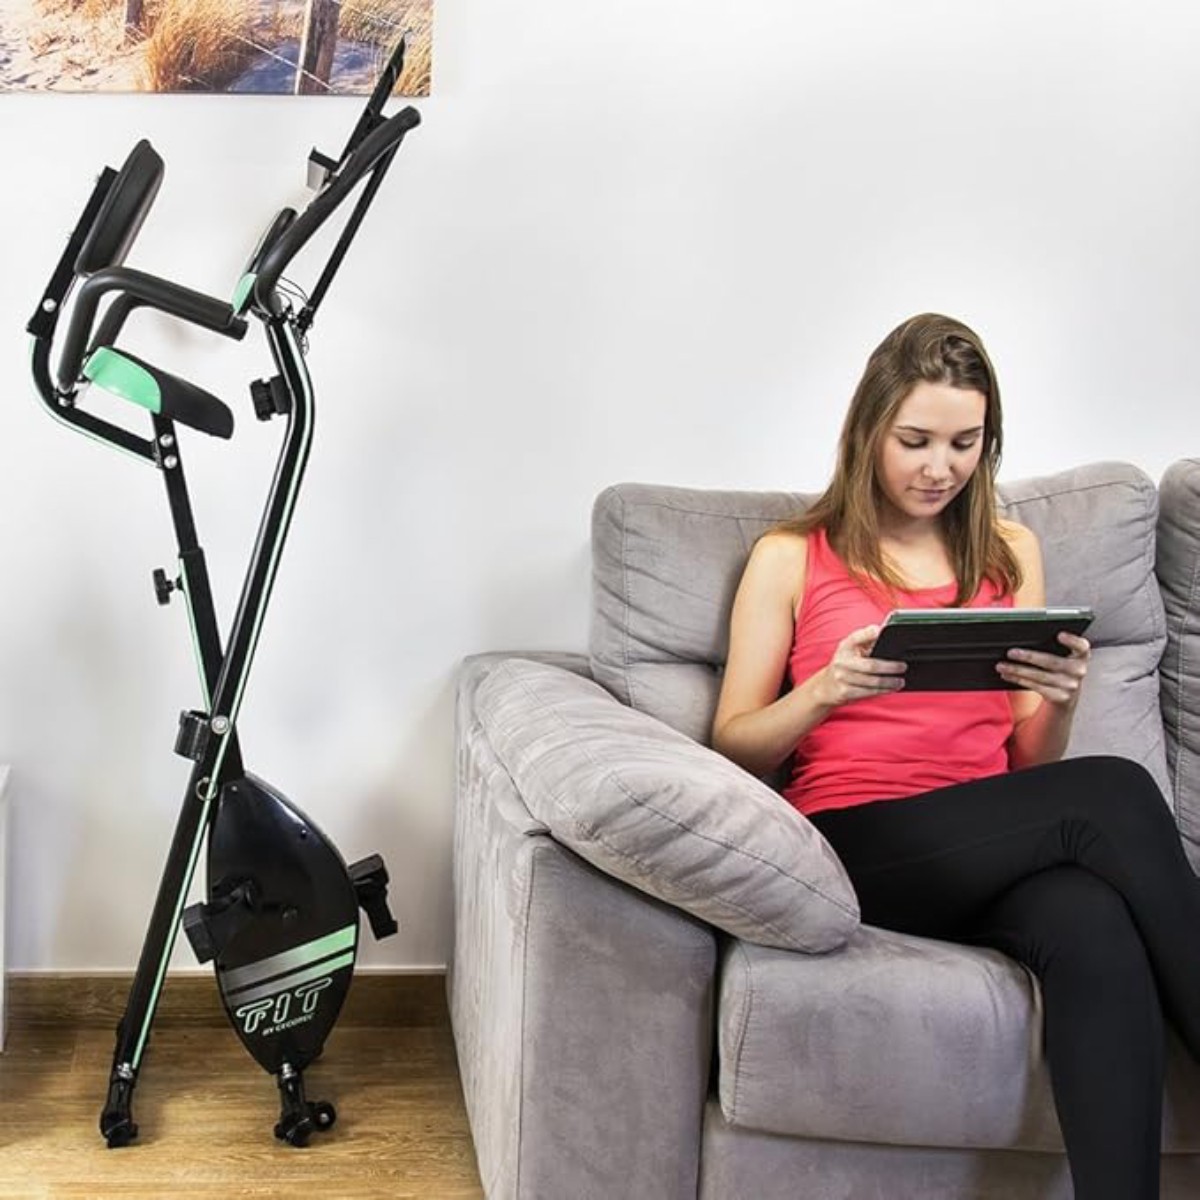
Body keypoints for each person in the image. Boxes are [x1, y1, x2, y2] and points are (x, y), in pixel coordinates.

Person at [711, 312, 1200, 1200]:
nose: (940, 467)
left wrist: (1060, 697)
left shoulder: (1010, 552)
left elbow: (1031, 772)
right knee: (1117, 790)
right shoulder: (790, 557)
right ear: (867, 431)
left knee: (1094, 923)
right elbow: (732, 744)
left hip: (982, 848)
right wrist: (825, 690)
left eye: (965, 444)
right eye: (916, 441)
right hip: (856, 841)